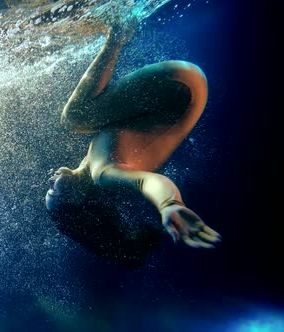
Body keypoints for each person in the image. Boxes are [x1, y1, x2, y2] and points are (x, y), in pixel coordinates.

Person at [45, 19, 221, 249]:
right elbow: (147, 182)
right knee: (75, 118)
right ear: (77, 199)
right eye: (52, 190)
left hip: (179, 91)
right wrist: (169, 203)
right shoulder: (103, 174)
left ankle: (118, 36)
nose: (50, 179)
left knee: (80, 119)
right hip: (180, 90)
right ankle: (117, 35)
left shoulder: (93, 164)